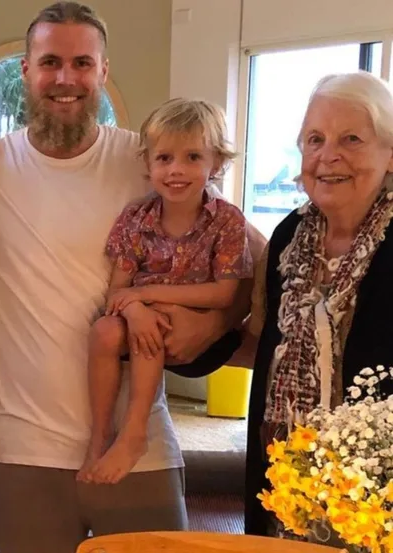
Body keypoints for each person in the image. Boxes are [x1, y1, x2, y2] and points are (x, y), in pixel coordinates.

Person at [0, 3, 264, 552]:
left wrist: (216, 322)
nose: (65, 79)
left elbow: (252, 263)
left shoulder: (150, 159)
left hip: (139, 448)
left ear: (103, 71)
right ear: (25, 70)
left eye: (81, 63)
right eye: (50, 62)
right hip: (23, 447)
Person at [244, 71, 393, 537]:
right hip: (279, 478)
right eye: (315, 139)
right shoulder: (289, 236)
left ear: (390, 154)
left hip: (375, 499)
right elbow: (261, 342)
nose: (328, 155)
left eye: (352, 138)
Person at [77, 98, 252, 485]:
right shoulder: (136, 219)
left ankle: (135, 432)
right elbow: (117, 295)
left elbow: (224, 295)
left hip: (201, 329)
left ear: (217, 164)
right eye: (164, 158)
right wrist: (135, 309)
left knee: (157, 319)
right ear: (148, 164)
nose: (176, 170)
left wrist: (148, 295)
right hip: (141, 318)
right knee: (104, 330)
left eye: (192, 157)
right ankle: (99, 438)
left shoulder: (226, 221)